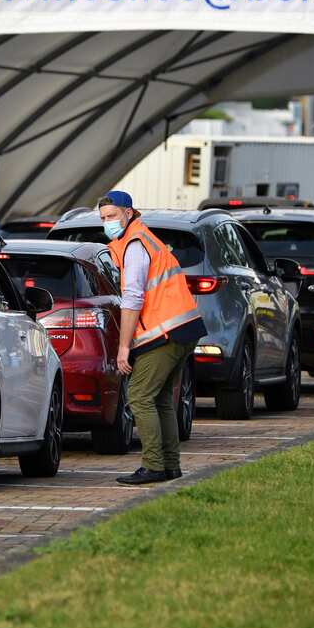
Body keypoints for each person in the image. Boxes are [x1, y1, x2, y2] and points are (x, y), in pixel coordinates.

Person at [99, 190, 206, 485]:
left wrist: (123, 348)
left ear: (129, 213)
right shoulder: (145, 239)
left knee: (139, 395)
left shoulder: (135, 244)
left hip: (165, 330)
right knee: (159, 399)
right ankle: (170, 465)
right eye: (103, 218)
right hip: (183, 327)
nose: (107, 223)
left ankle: (154, 466)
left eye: (112, 216)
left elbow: (132, 298)